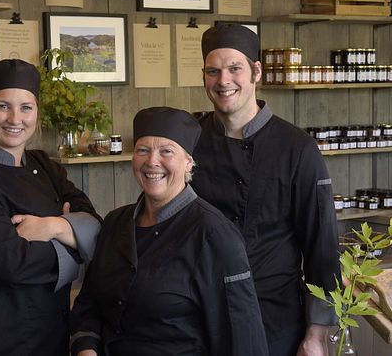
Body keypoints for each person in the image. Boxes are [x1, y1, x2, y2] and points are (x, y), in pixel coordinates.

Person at [190, 24, 340, 356]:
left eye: (234, 68)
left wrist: (317, 333)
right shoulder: (190, 141)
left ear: (256, 71)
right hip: (200, 316)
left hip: (273, 317)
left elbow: (322, 246)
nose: (223, 80)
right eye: (213, 71)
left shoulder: (297, 148)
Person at [70, 107, 268, 356]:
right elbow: (89, 305)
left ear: (188, 163)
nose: (152, 161)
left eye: (166, 151)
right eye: (143, 150)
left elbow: (243, 339)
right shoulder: (115, 223)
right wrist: (86, 349)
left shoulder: (214, 235)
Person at [0, 59, 102, 355]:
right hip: (0, 335)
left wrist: (52, 227)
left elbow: (95, 224)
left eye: (26, 107)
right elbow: (12, 263)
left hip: (53, 328)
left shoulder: (45, 166)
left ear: (36, 112)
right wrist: (74, 240)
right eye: (3, 106)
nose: (15, 118)